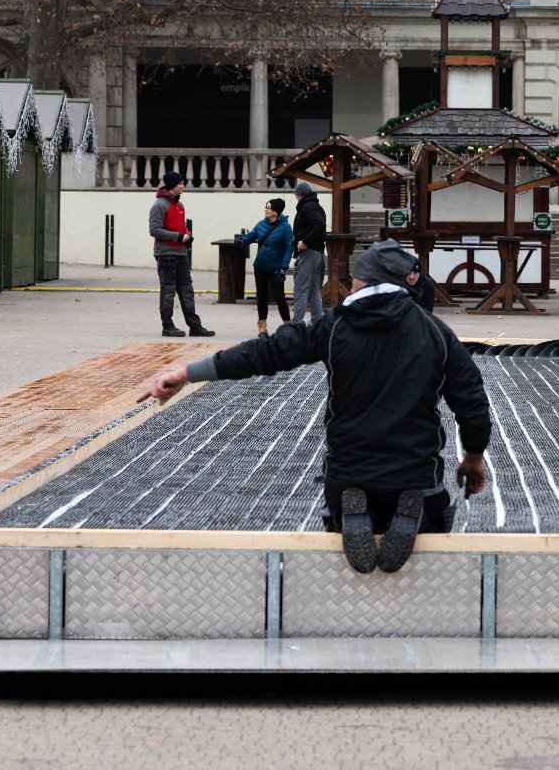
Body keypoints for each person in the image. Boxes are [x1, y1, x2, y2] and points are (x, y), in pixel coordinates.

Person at [137, 239, 489, 574]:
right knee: (435, 508)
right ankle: (416, 511)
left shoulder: (333, 326)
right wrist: (473, 457)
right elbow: (472, 398)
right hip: (416, 471)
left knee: (343, 495)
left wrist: (188, 373)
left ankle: (349, 507)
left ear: (363, 281)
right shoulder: (435, 332)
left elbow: (265, 353)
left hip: (349, 469)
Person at [148, 170, 214, 338]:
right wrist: (178, 236)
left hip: (180, 253)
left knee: (187, 290)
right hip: (165, 254)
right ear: (172, 186)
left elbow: (181, 227)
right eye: (180, 184)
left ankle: (195, 326)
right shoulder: (160, 205)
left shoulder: (179, 205)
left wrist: (187, 235)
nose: (183, 186)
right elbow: (154, 230)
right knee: (168, 290)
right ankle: (167, 326)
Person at [239, 197, 294, 334]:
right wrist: (241, 242)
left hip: (276, 268)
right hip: (260, 266)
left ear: (276, 211)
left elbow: (289, 248)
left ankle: (287, 326)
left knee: (279, 297)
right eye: (266, 207)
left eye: (268, 207)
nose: (265, 209)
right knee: (261, 297)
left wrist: (283, 267)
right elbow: (251, 236)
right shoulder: (261, 224)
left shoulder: (285, 227)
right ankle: (262, 326)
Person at [291, 181, 327, 324]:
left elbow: (319, 225)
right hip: (319, 253)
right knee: (314, 293)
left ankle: (296, 327)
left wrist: (304, 241)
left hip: (309, 254)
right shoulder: (318, 207)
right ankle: (318, 327)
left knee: (300, 291)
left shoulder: (307, 207)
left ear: (300, 195)